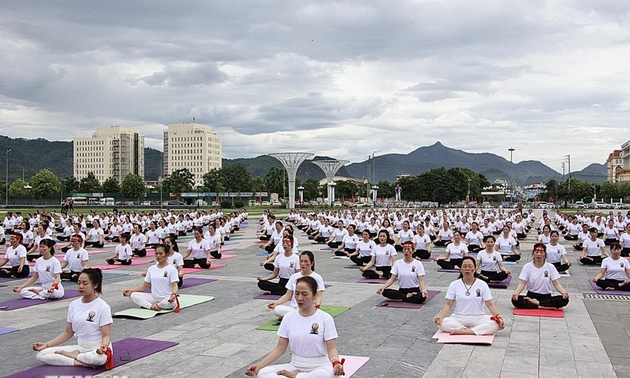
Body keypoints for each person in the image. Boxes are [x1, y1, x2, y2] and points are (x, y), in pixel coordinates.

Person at [247, 276, 344, 378]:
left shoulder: (325, 318)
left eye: (304, 294)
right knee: (263, 373)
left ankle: (297, 376)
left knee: (330, 374)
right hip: (295, 364)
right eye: (296, 293)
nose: (299, 298)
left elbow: (331, 348)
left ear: (314, 295)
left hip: (320, 366)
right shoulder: (289, 317)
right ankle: (298, 375)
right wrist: (259, 366)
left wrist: (336, 363)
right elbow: (280, 348)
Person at [32, 268, 113, 368]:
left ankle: (75, 356)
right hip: (81, 347)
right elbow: (68, 332)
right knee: (41, 354)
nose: (81, 286)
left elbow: (106, 335)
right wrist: (46, 345)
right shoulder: (73, 305)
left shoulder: (103, 306)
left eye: (85, 283)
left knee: (98, 359)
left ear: (95, 285)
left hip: (97, 348)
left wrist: (103, 346)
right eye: (79, 283)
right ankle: (79, 362)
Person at [433, 256, 504, 335]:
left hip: (478, 318)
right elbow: (448, 304)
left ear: (475, 268)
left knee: (495, 324)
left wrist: (498, 316)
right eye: (464, 266)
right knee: (443, 323)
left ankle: (467, 331)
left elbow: (490, 304)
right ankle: (470, 330)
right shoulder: (454, 284)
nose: (467, 269)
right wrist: (441, 317)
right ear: (460, 269)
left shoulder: (482, 284)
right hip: (459, 318)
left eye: (470, 266)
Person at [268, 251, 325, 318]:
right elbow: (287, 295)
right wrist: (276, 303)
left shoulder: (317, 277)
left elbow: (318, 296)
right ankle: (294, 316)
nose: (303, 264)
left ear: (312, 263)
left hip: (309, 308)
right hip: (294, 309)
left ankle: (292, 316)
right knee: (277, 309)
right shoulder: (294, 277)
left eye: (306, 261)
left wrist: (317, 306)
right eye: (301, 261)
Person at [512, 243, 570, 309]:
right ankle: (544, 306)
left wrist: (564, 293)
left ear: (545, 254)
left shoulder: (550, 267)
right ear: (533, 253)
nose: (539, 254)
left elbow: (556, 283)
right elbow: (523, 282)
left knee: (564, 300)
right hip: (531, 295)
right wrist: (516, 293)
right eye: (536, 252)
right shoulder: (527, 266)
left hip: (546, 296)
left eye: (541, 252)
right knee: (515, 300)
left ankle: (537, 304)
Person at [123, 244, 179, 311]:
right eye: (156, 254)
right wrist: (131, 290)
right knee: (133, 295)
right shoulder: (151, 268)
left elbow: (174, 285)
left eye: (161, 254)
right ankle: (150, 306)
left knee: (169, 303)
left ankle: (156, 305)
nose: (158, 256)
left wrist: (173, 294)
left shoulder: (172, 269)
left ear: (167, 254)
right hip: (153, 297)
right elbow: (145, 285)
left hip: (166, 298)